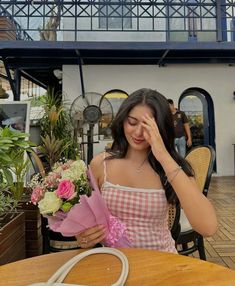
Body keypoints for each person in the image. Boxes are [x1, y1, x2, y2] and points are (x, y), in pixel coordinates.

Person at [76, 88, 217, 253]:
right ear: (122, 121)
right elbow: (86, 218)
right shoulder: (101, 164)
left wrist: (163, 156)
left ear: (161, 128)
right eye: (132, 122)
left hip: (160, 261)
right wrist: (84, 237)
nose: (138, 132)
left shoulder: (170, 168)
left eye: (149, 126)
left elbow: (208, 227)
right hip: (114, 264)